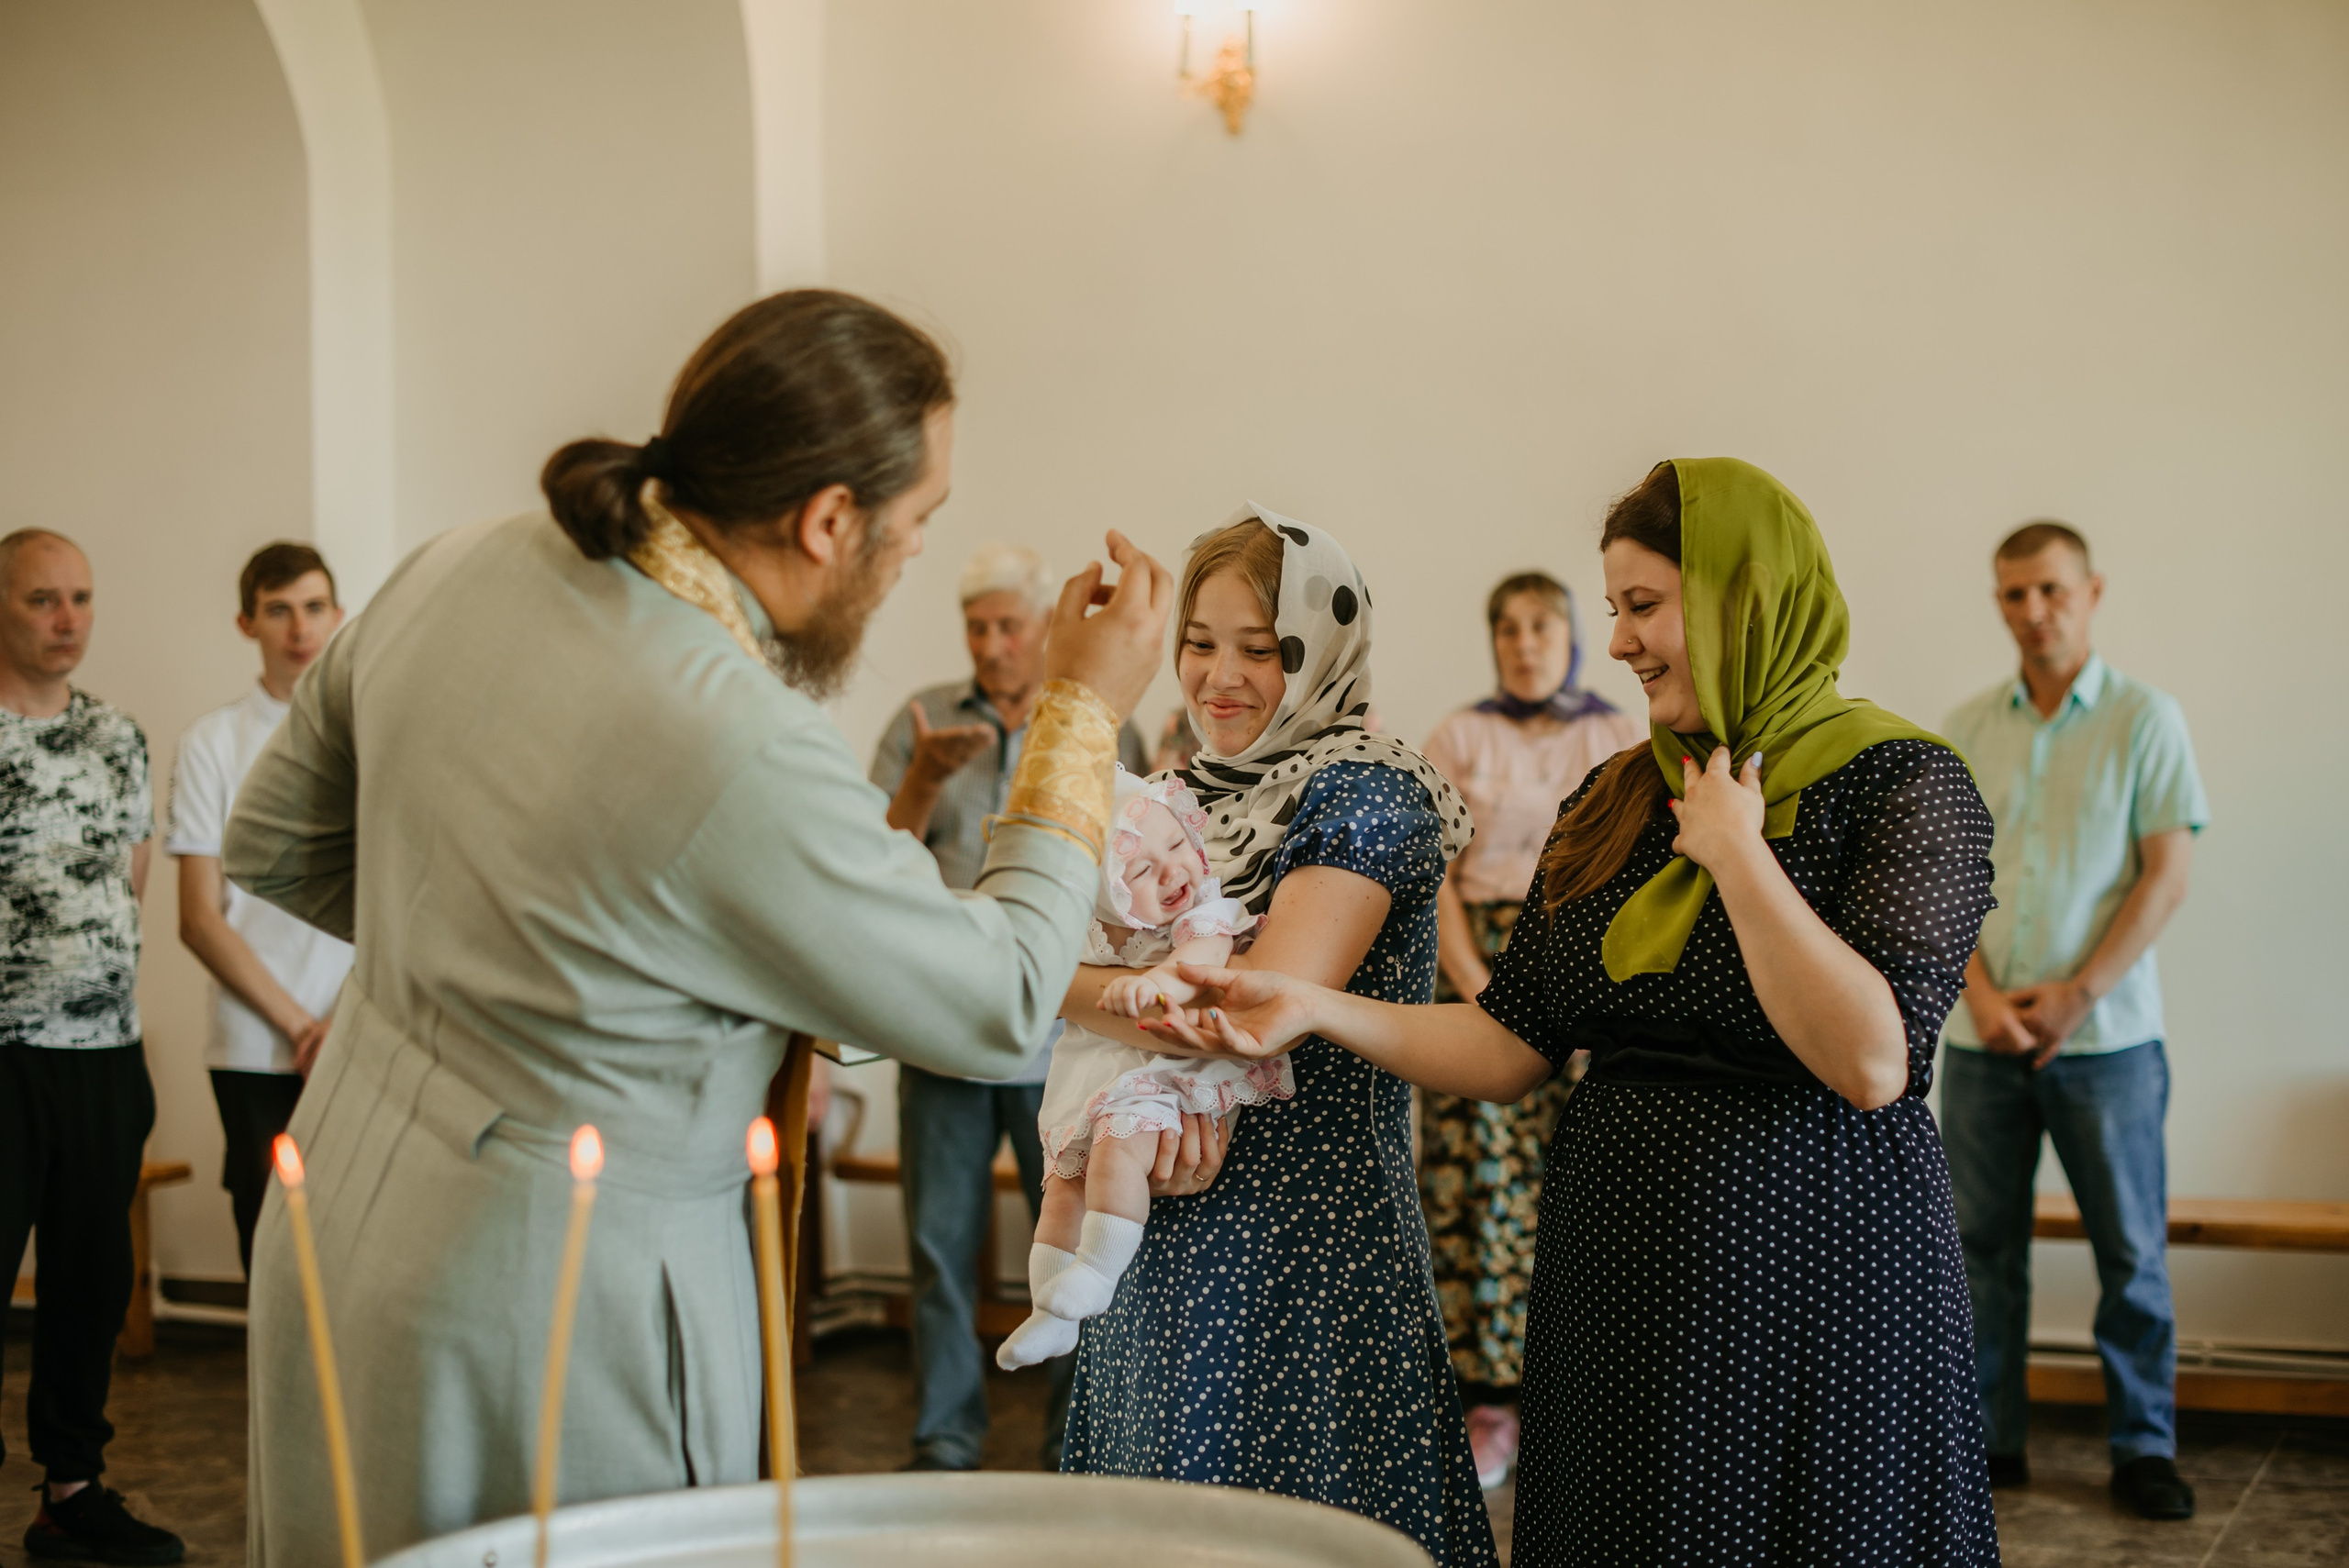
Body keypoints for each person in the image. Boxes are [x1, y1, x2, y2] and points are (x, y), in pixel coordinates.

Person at [223, 290, 1182, 1565]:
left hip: (333, 1216)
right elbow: (998, 994)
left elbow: (274, 844)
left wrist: (537, 955)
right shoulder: (740, 736)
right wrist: (1077, 710)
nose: (906, 562)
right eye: (917, 525)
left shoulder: (462, 557)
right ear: (831, 519)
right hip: (556, 1300)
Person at [1150, 462, 2005, 1565]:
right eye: (1614, 609)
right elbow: (1511, 1041)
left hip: (1815, 1266)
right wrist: (1316, 1005)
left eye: (1643, 606)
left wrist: (1740, 858)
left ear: (1741, 598)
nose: (1619, 642)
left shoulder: (1903, 781)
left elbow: (1871, 1058)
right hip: (1620, 1263)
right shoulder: (1614, 796)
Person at [1061, 508, 1497, 1568]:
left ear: (1322, 651)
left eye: (1262, 648)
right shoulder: (1173, 793)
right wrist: (1111, 992)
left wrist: (1090, 990)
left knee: (1303, 1523)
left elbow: (1253, 1010)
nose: (1220, 675)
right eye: (1199, 642)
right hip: (1153, 1210)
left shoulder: (1369, 793)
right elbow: (1027, 965)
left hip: (1302, 1243)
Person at [1936, 520, 2207, 1520]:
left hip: (2108, 1041)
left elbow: (2165, 873)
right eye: (2013, 594)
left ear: (2092, 590)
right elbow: (1942, 882)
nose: (2032, 611)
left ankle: (2142, 1445)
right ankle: (1986, 1440)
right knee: (1976, 1248)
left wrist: (2074, 993)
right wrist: (1978, 993)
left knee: (2128, 1248)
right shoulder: (1964, 727)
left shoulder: (2146, 719)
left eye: (2050, 590)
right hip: (1981, 1039)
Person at [868, 541, 1151, 1471]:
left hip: (1059, 1041)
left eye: (1008, 625)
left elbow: (1136, 871)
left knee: (1071, 1244)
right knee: (936, 1251)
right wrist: (922, 783)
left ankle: (1076, 1442)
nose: (991, 643)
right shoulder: (919, 721)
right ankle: (947, 1434)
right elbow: (868, 863)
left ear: (1041, 630)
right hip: (942, 1033)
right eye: (976, 626)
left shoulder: (1103, 722)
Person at [1417, 572, 1640, 1487]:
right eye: (1505, 627)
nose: (1523, 642)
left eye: (1540, 624)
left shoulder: (1617, 734)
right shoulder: (1456, 736)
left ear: (1573, 632)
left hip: (1583, 962)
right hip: (1476, 960)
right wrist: (1477, 988)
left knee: (1578, 1181)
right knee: (1481, 1186)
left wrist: (1590, 997)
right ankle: (1488, 1399)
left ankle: (1576, 1395)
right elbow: (1433, 876)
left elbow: (1632, 871)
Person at [0, 528, 186, 1565]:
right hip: (2, 1051)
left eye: (80, 598)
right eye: (41, 599)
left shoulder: (119, 734)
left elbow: (131, 878)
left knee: (88, 1279)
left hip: (103, 1051)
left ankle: (70, 1492)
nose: (66, 618)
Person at [996, 766, 1281, 1371]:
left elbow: (1205, 956)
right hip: (1099, 1066)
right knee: (1061, 1189)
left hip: (1170, 1067)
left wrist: (1155, 980)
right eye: (1141, 871)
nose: (1173, 869)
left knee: (1115, 1153)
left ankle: (1097, 1274)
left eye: (1178, 844)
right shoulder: (1093, 929)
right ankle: (1050, 1315)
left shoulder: (1203, 907)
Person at [168, 543, 353, 1276]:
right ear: (248, 622)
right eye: (278, 610)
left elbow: (402, 893)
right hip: (255, 1040)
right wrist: (301, 1026)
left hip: (360, 1031)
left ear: (338, 617)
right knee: (271, 1244)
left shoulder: (369, 733)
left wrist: (341, 1020)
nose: (298, 628)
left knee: (356, 1240)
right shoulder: (212, 742)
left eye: (313, 607)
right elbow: (198, 916)